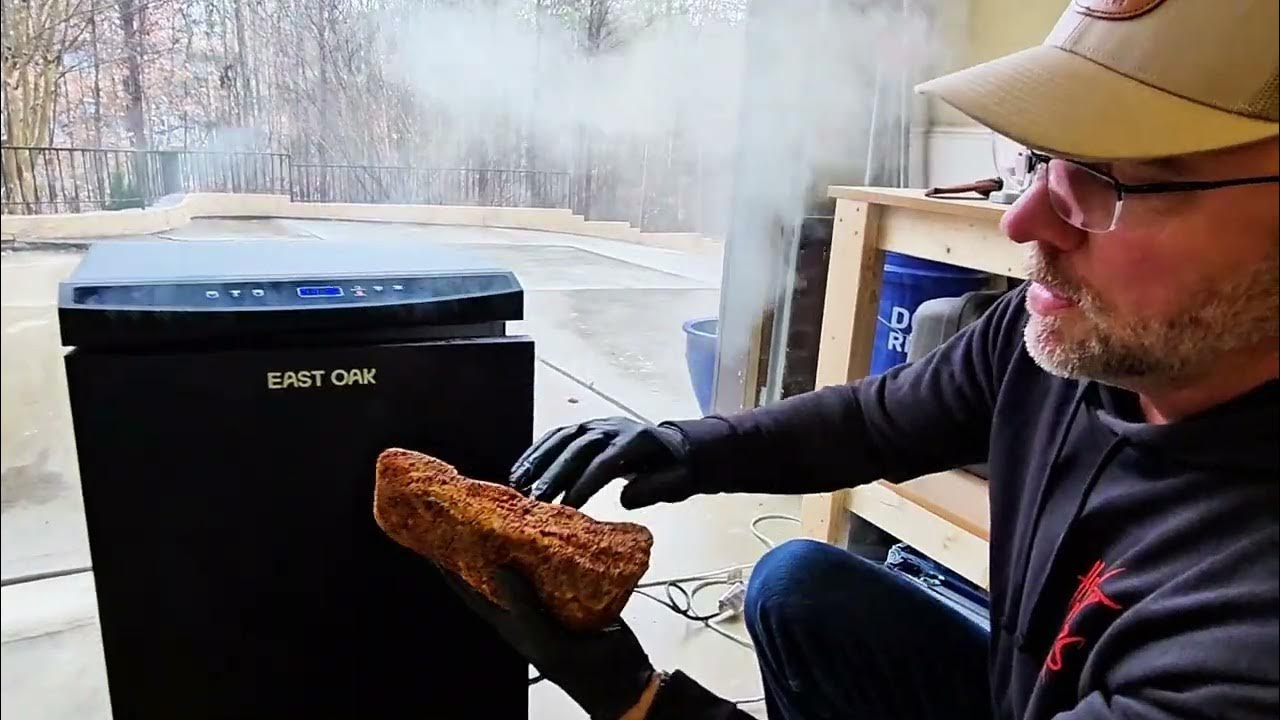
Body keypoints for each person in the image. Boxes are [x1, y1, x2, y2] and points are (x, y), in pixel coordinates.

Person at [441, 1, 1280, 717]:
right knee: (798, 586)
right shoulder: (1084, 350)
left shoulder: (1244, 642)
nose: (1023, 221)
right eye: (1041, 160)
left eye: (1112, 178)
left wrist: (633, 698)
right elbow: (877, 420)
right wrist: (687, 447)